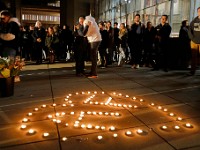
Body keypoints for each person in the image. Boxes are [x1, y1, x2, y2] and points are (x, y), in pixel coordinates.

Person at [188, 7, 200, 76]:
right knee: (193, 57)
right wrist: (192, 38)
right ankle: (192, 71)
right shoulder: (193, 21)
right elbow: (189, 31)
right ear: (197, 12)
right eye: (199, 11)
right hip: (194, 42)